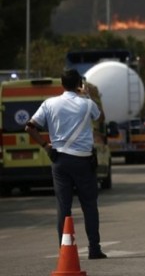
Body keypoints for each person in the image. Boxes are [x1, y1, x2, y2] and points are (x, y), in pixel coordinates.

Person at [25, 69, 108, 260]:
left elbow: (30, 127)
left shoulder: (49, 103)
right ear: (79, 83)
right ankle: (94, 248)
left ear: (61, 84)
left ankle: (64, 250)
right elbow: (101, 118)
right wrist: (87, 94)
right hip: (83, 161)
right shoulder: (87, 104)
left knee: (64, 206)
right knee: (89, 205)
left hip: (59, 160)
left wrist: (46, 146)